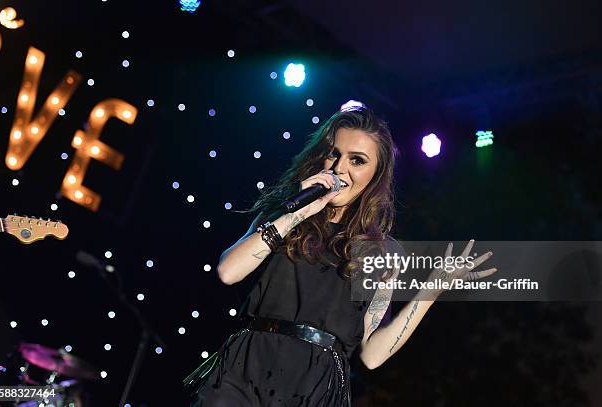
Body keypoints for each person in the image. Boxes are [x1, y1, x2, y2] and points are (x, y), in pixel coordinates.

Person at [184, 106, 496, 406]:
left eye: (357, 160)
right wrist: (297, 214)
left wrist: (431, 290)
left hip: (316, 383)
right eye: (334, 153)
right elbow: (228, 271)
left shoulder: (383, 252)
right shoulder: (284, 212)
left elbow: (372, 355)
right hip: (246, 366)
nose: (339, 168)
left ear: (376, 175)